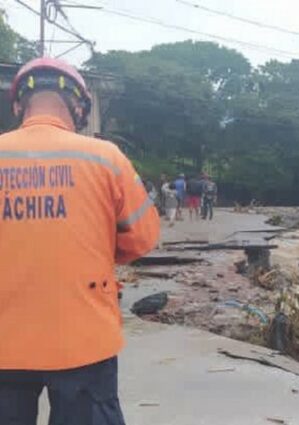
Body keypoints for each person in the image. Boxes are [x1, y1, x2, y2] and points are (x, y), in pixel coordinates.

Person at [0, 58, 160, 425]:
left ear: (18, 105)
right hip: (84, 338)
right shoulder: (105, 158)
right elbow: (143, 239)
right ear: (78, 107)